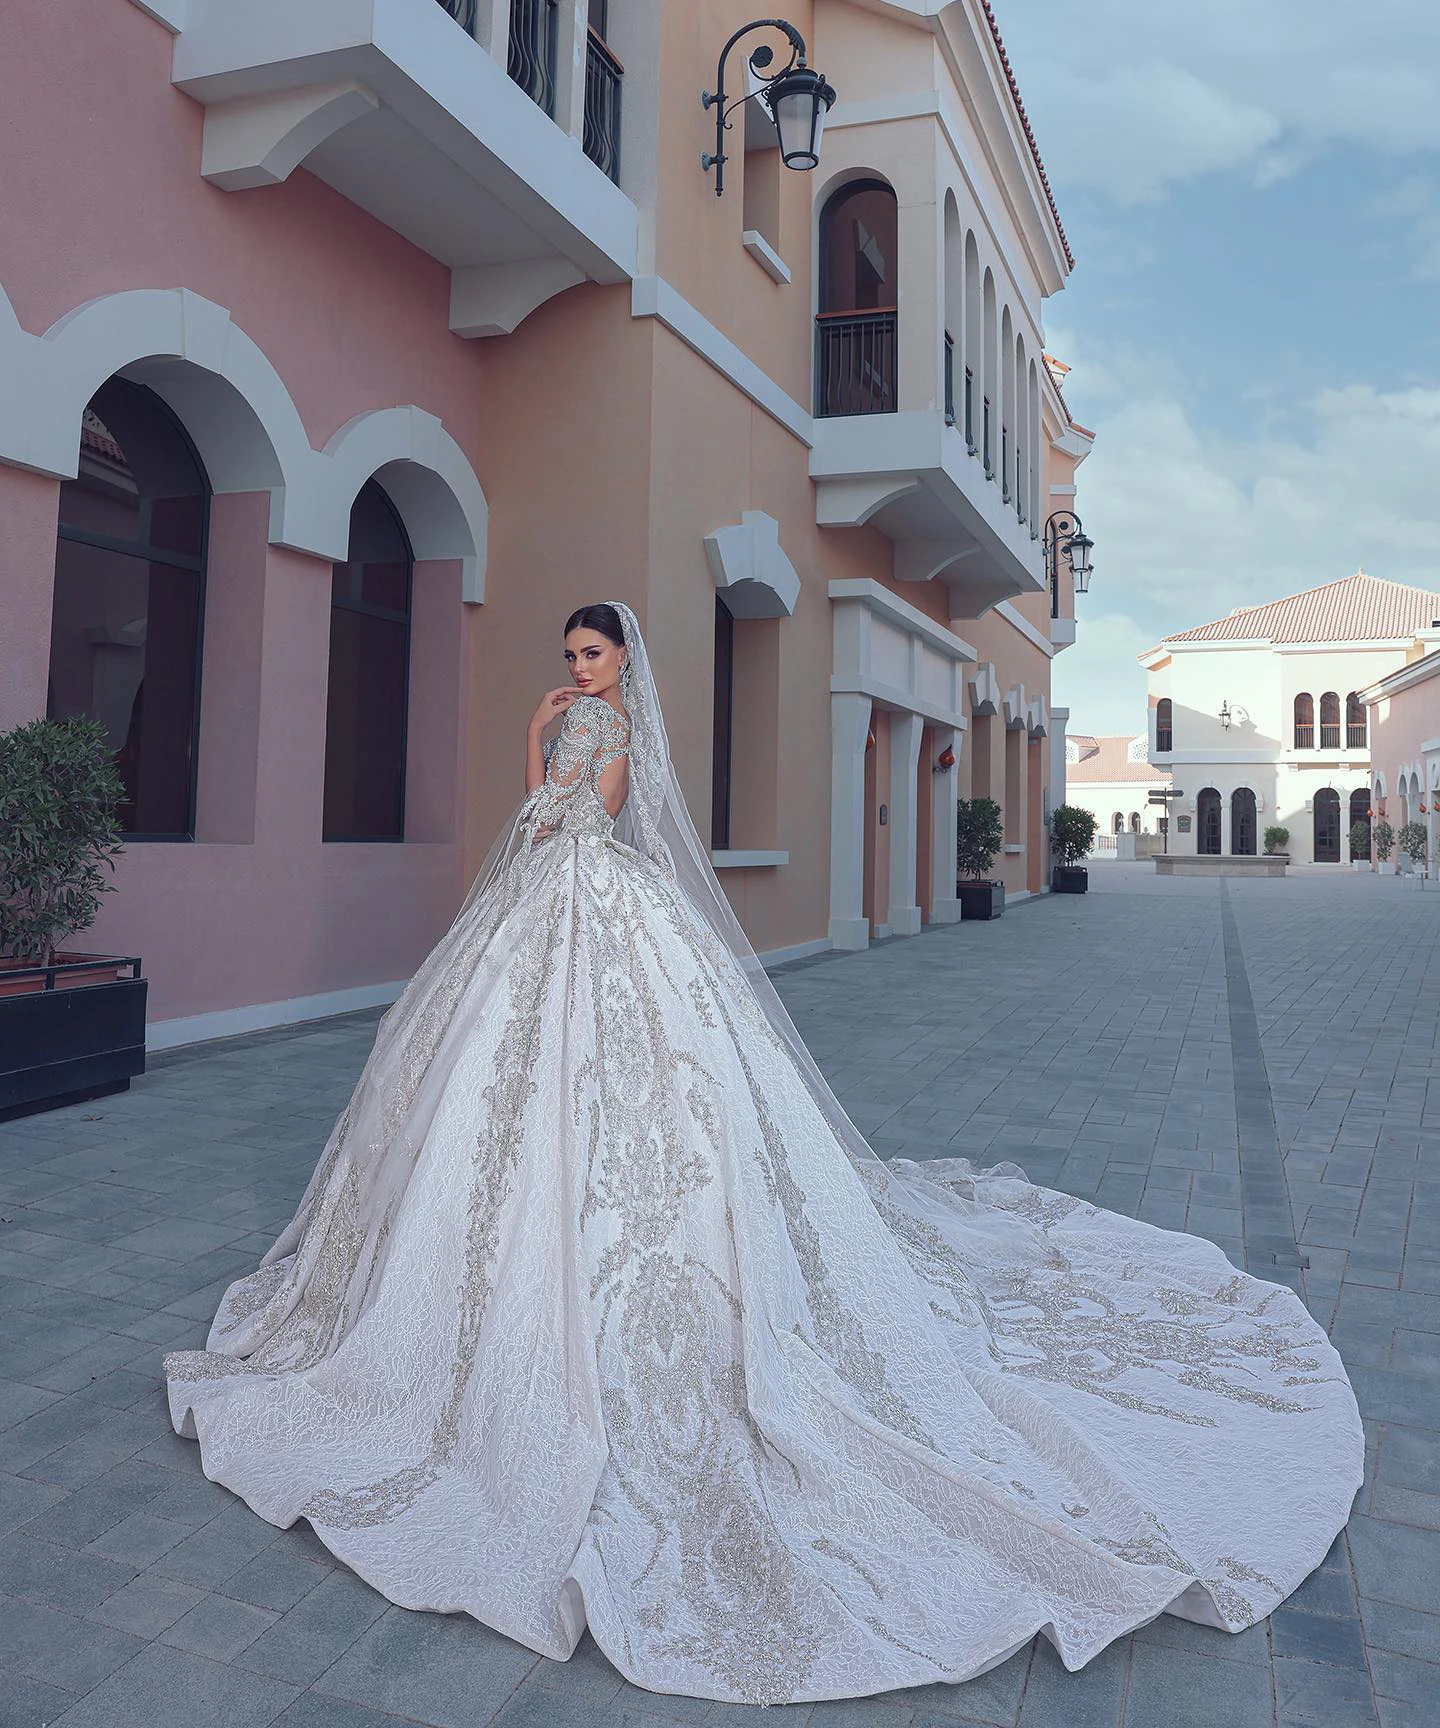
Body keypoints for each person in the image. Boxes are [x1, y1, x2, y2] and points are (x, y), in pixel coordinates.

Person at [166, 601, 1363, 1707]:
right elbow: (540, 814)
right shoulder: (578, 716)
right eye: (567, 660)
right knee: (484, 1078)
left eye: (588, 656)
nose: (574, 671)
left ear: (622, 659)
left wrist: (549, 754)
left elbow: (589, 816)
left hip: (591, 896)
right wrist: (541, 744)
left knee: (643, 1102)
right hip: (545, 901)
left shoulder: (616, 726)